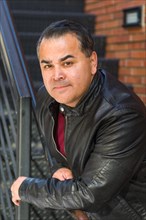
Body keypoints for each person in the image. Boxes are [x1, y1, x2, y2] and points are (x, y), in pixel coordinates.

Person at [11, 19, 146, 220]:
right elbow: (54, 147)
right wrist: (59, 168)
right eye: (47, 66)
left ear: (92, 62)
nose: (56, 75)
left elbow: (90, 193)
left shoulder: (122, 114)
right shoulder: (48, 97)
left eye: (67, 63)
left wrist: (26, 188)